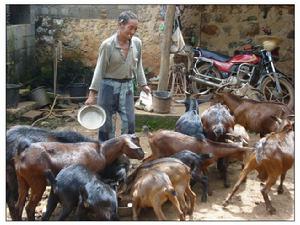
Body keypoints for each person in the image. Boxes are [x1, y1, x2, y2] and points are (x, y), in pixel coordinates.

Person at [85, 10, 151, 142]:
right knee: (106, 124)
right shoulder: (107, 45)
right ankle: (106, 154)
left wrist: (143, 84)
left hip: (127, 87)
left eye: (135, 29)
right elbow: (99, 69)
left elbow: (138, 65)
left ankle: (125, 153)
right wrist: (92, 94)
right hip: (108, 87)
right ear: (121, 24)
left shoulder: (137, 43)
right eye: (130, 28)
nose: (132, 32)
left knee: (130, 122)